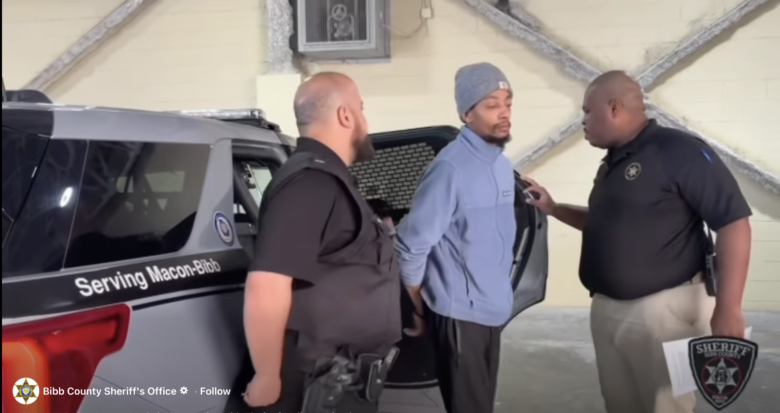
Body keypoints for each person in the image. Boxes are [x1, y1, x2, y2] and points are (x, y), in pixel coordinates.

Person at [523, 70, 752, 413]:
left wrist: (729, 307)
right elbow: (604, 225)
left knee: (665, 404)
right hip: (608, 310)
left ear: (614, 107)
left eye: (587, 111)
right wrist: (553, 208)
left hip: (666, 311)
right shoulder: (612, 163)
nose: (582, 120)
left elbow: (734, 223)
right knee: (620, 404)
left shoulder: (678, 150)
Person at [224, 72, 401, 413]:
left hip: (341, 377)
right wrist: (266, 375)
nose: (365, 120)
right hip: (313, 383)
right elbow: (267, 284)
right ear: (345, 115)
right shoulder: (311, 184)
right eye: (361, 109)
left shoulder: (329, 181)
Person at [395, 62, 517, 413]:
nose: (504, 112)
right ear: (467, 113)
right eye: (492, 104)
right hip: (460, 314)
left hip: (493, 309)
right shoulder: (450, 169)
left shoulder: (501, 165)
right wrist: (417, 305)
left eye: (508, 102)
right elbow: (411, 244)